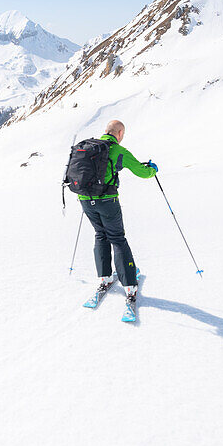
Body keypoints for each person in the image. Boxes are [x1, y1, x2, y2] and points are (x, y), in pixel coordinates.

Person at [78, 120, 157, 310]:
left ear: (106, 131)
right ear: (119, 133)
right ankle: (129, 285)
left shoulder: (89, 147)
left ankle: (105, 277)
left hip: (85, 199)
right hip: (107, 201)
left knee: (100, 234)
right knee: (117, 238)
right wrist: (153, 168)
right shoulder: (118, 150)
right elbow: (142, 172)